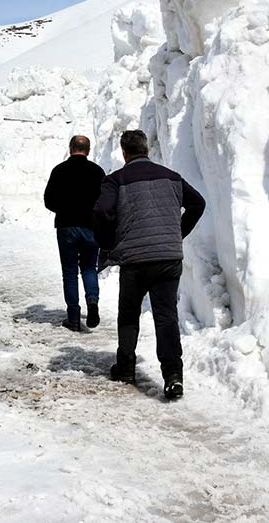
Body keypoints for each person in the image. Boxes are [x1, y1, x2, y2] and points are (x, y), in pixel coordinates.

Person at [92, 130, 205, 400]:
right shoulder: (172, 177)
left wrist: (107, 242)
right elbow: (197, 204)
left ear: (124, 152)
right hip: (168, 258)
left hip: (135, 260)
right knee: (166, 317)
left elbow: (100, 211)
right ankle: (173, 376)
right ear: (147, 149)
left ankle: (127, 368)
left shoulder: (116, 180)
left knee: (129, 314)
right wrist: (178, 232)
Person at [43, 135, 107, 332]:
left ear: (70, 148)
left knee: (70, 273)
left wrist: (65, 209)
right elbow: (105, 200)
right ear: (88, 150)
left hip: (67, 226)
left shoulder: (59, 170)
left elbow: (48, 200)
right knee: (89, 267)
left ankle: (73, 318)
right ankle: (93, 302)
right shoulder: (97, 172)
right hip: (90, 227)